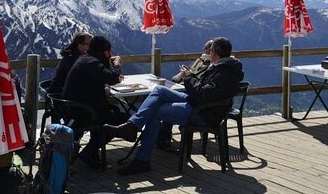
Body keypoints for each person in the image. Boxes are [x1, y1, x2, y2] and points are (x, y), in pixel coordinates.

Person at [104, 36, 244, 175]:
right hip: (198, 104)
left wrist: (188, 78)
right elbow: (205, 90)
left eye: (210, 51)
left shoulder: (224, 72)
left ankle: (142, 158)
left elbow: (203, 95)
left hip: (202, 113)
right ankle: (133, 126)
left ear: (214, 52)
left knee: (154, 112)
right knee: (159, 90)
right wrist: (191, 76)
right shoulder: (224, 67)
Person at [62, 35, 126, 169]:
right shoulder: (92, 63)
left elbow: (98, 78)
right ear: (102, 52)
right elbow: (113, 78)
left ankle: (92, 153)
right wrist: (117, 65)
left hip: (76, 108)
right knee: (120, 120)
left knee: (111, 112)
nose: (110, 55)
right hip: (82, 112)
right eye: (108, 52)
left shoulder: (85, 59)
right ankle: (90, 152)